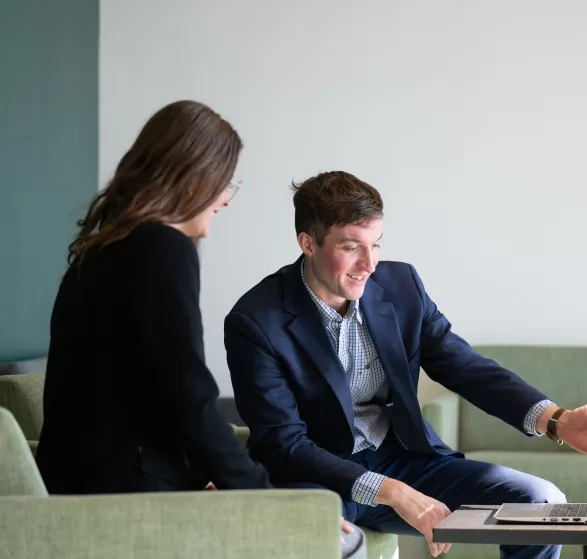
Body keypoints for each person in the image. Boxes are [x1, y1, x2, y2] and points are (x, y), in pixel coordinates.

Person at [224, 170, 587, 559]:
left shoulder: (401, 286)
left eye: (376, 245)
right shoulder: (256, 321)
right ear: (308, 243)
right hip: (317, 480)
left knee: (541, 501)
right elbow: (285, 445)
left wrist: (557, 421)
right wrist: (394, 493)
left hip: (404, 459)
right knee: (330, 541)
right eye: (351, 247)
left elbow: (464, 366)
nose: (369, 264)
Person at [35, 103, 365, 558]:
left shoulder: (103, 248)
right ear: (194, 176)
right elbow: (188, 395)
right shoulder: (162, 248)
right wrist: (272, 502)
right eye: (224, 182)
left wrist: (205, 478)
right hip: (130, 497)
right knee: (343, 543)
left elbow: (143, 397)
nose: (226, 199)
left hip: (79, 487)